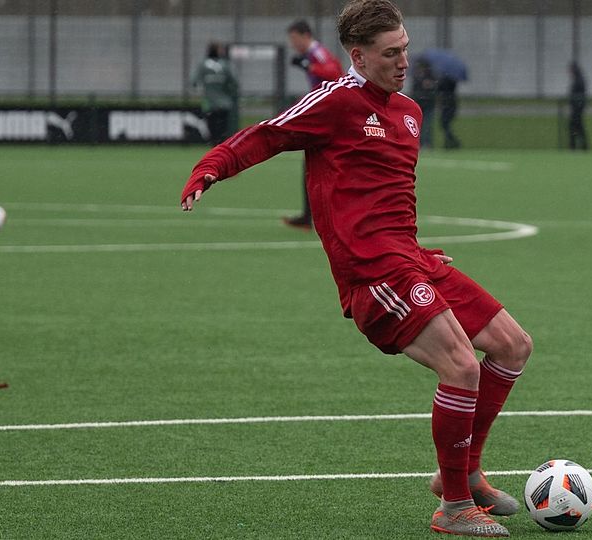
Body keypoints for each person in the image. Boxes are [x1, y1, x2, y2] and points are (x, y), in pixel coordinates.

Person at [179, 1, 531, 536]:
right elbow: (268, 134)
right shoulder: (336, 101)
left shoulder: (409, 113)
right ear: (358, 56)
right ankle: (455, 508)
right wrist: (211, 167)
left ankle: (462, 473)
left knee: (512, 345)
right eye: (390, 54)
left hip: (409, 260)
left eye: (405, 49)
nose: (404, 62)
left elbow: (391, 201)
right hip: (373, 275)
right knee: (462, 366)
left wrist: (418, 252)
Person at [283, 20, 344, 230]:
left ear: (305, 35)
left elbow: (335, 74)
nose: (293, 44)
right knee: (311, 164)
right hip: (324, 114)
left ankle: (316, 215)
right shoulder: (311, 54)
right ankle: (310, 216)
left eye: (294, 39)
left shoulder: (317, 52)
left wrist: (309, 66)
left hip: (329, 116)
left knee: (319, 164)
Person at [192, 42, 239, 146]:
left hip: (210, 104)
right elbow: (234, 83)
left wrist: (204, 90)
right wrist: (227, 92)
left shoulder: (203, 65)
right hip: (224, 104)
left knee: (213, 130)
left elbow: (194, 82)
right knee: (223, 131)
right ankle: (222, 148)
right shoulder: (225, 65)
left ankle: (215, 148)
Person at [411, 58, 437, 148]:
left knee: (428, 125)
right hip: (419, 104)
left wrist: (430, 85)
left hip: (428, 104)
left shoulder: (430, 76)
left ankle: (427, 143)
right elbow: (415, 90)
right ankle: (420, 143)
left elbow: (435, 90)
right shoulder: (417, 76)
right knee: (419, 125)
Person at [568, 61, 588, 151]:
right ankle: (581, 146)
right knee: (577, 127)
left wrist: (576, 106)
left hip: (577, 109)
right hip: (577, 108)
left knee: (575, 127)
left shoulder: (578, 80)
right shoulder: (578, 79)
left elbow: (578, 95)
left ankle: (575, 146)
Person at [438, 73, 461, 149]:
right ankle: (450, 141)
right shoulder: (453, 81)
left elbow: (439, 89)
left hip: (447, 105)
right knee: (445, 125)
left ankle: (451, 141)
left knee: (445, 125)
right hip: (450, 105)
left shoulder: (444, 82)